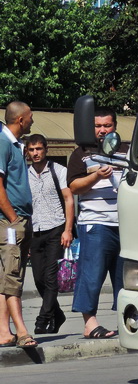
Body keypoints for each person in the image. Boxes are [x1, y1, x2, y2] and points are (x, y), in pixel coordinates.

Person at [68, 108, 127, 339]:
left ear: (115, 125)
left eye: (107, 125)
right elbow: (74, 187)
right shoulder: (81, 154)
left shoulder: (127, 150)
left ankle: (128, 320)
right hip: (95, 222)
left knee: (127, 276)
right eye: (98, 126)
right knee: (91, 274)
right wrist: (95, 177)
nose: (102, 130)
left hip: (126, 223)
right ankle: (89, 323)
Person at [25, 133, 74, 335]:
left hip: (56, 228)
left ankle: (43, 319)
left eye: (39, 149)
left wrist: (68, 230)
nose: (36, 153)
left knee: (51, 278)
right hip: (35, 231)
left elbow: (69, 200)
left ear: (45, 149)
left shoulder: (58, 170)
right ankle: (57, 314)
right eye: (32, 149)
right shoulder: (24, 174)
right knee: (38, 278)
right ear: (27, 152)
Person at [0, 101, 36, 348]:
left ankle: (4, 332)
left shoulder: (14, 144)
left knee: (7, 277)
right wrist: (13, 219)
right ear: (21, 119)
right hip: (10, 221)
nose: (33, 121)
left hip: (19, 219)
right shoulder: (3, 143)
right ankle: (22, 331)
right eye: (30, 117)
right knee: (13, 277)